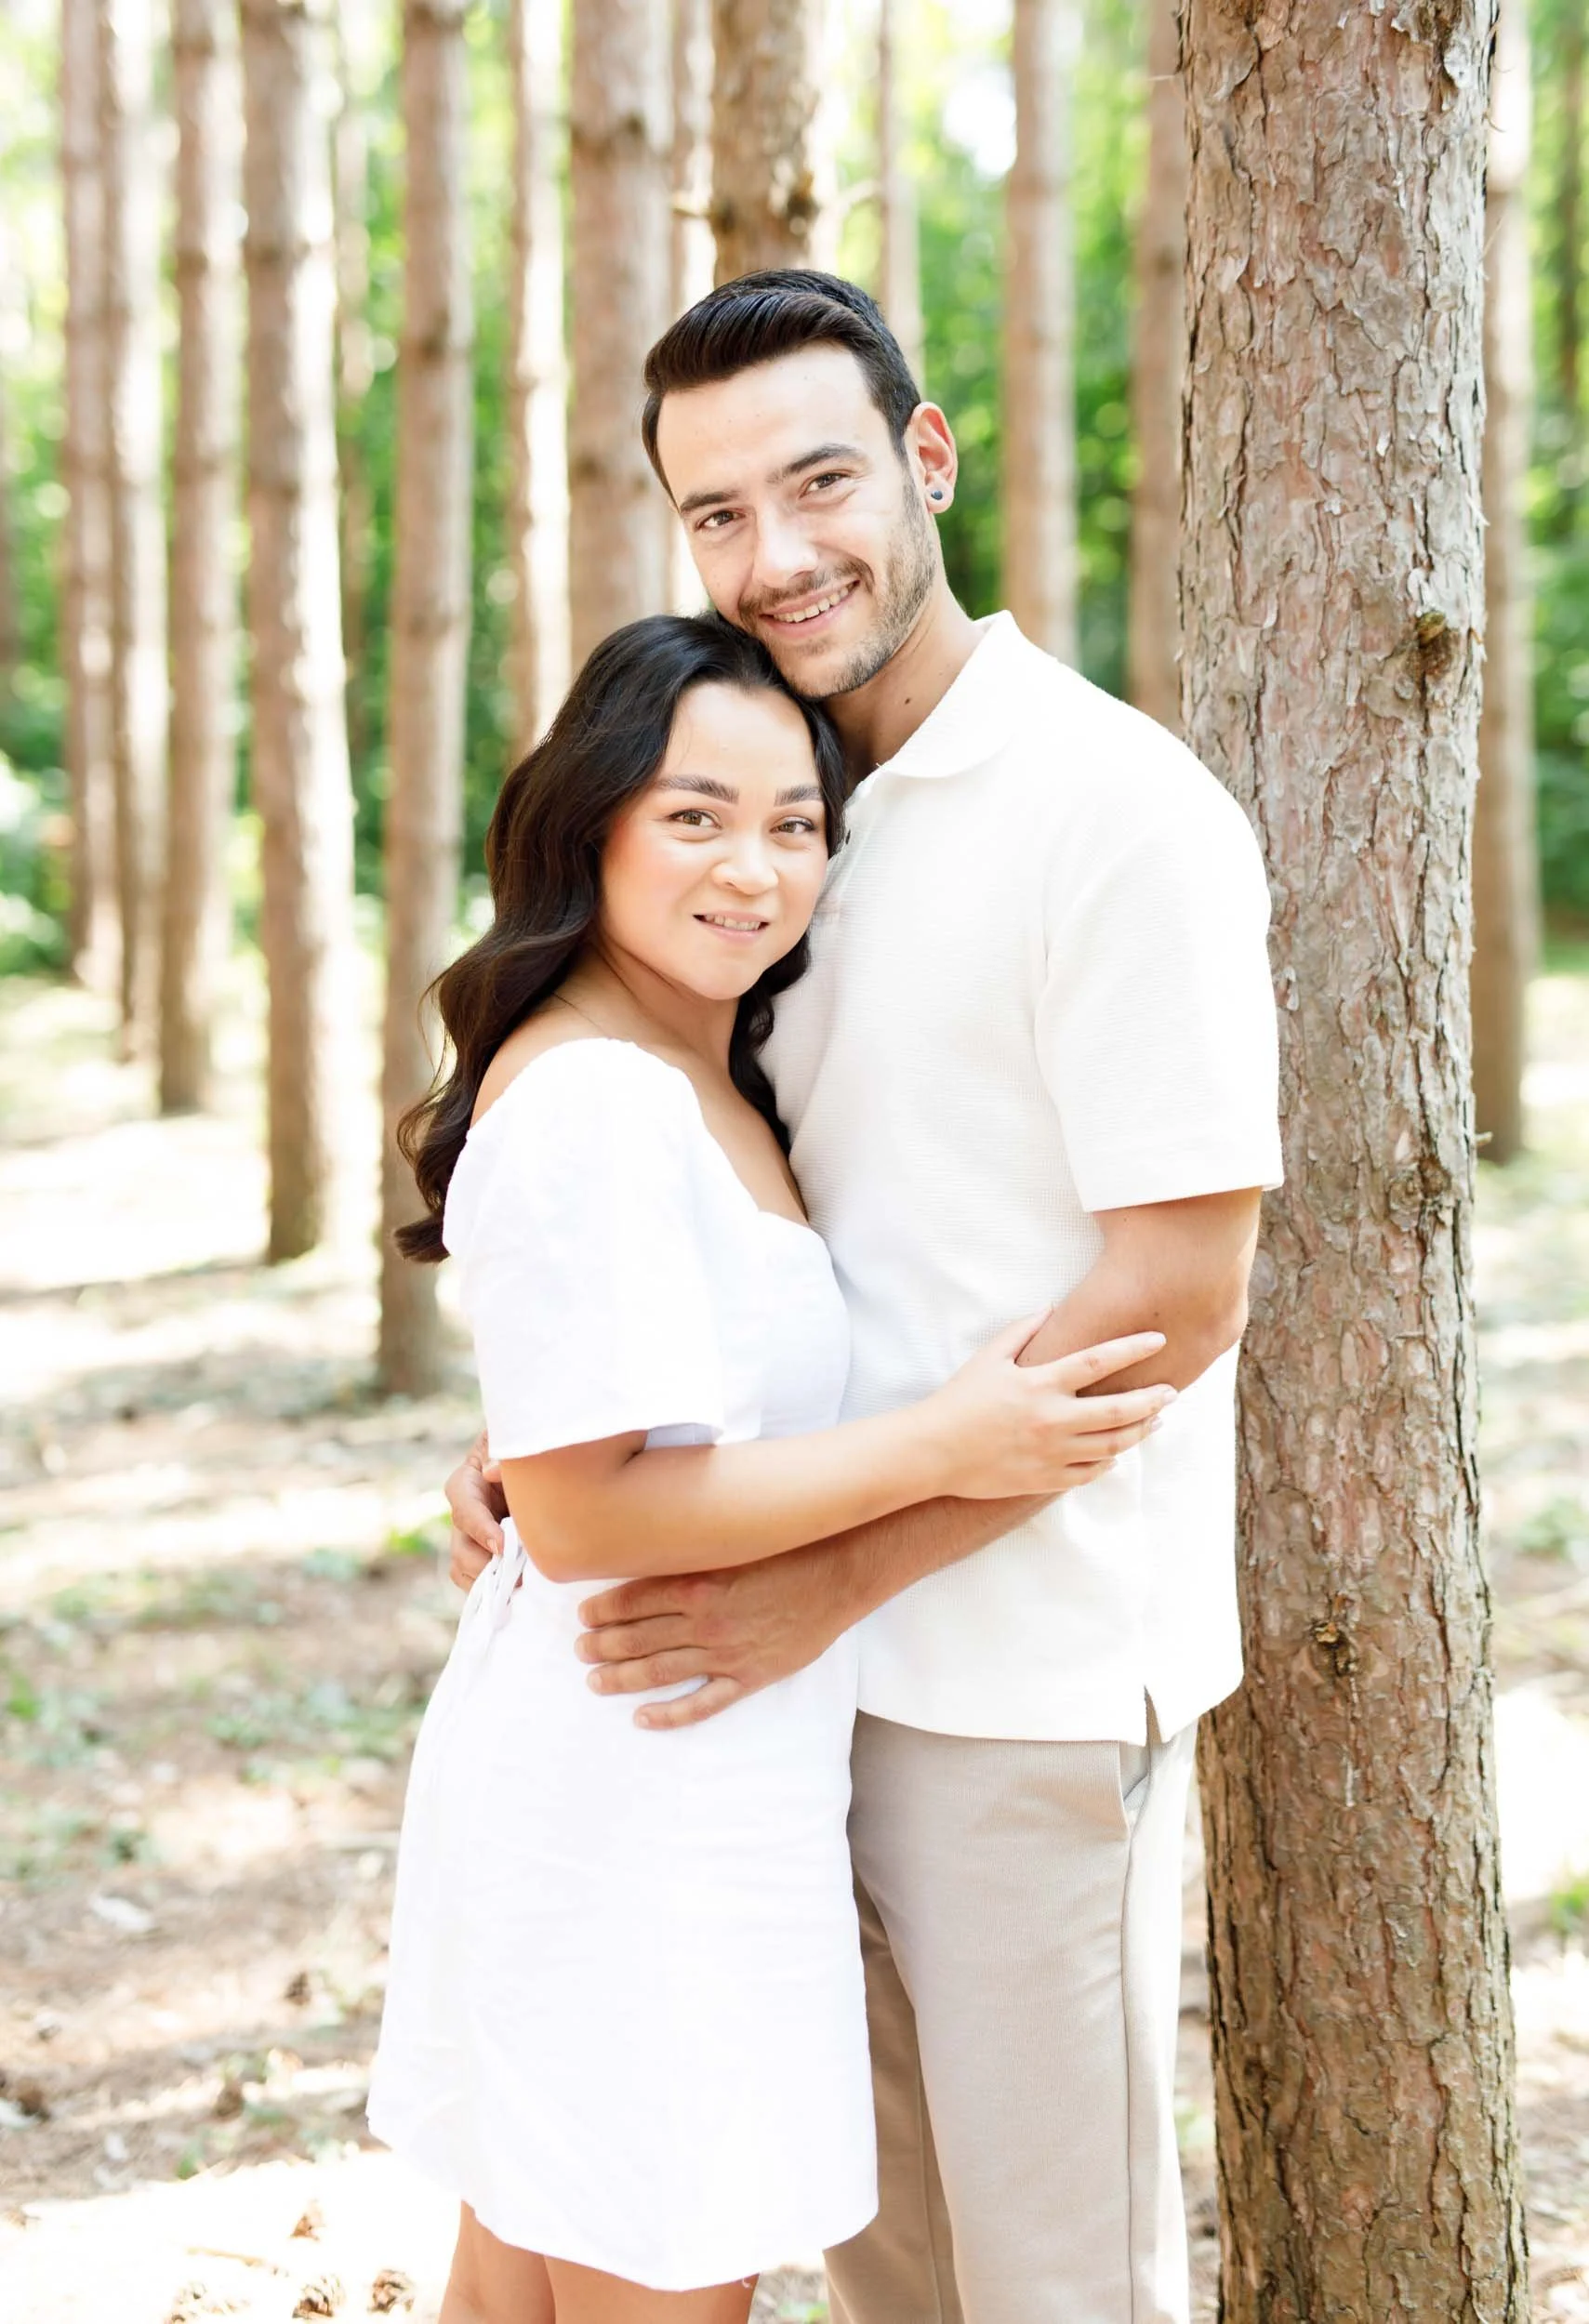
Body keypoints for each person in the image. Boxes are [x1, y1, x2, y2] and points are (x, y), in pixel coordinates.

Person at [446, 273, 1284, 2324]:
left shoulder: (1117, 811)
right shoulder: (775, 807)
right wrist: (560, 1431)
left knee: (1055, 2283)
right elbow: (742, 1205)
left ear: (923, 460)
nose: (776, 550)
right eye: (715, 512)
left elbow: (1176, 1290)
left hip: (1012, 1680)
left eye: (817, 479)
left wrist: (832, 1575)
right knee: (890, 2276)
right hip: (768, 1698)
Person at [368, 610, 1175, 2324]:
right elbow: (587, 1516)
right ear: (590, 823)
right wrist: (948, 1443)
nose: (756, 868)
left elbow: (623, 1409)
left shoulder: (699, 1061)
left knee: (523, 2271)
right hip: (640, 1774)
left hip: (668, 1759)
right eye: (694, 815)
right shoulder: (603, 1093)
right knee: (639, 2270)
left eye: (796, 822)